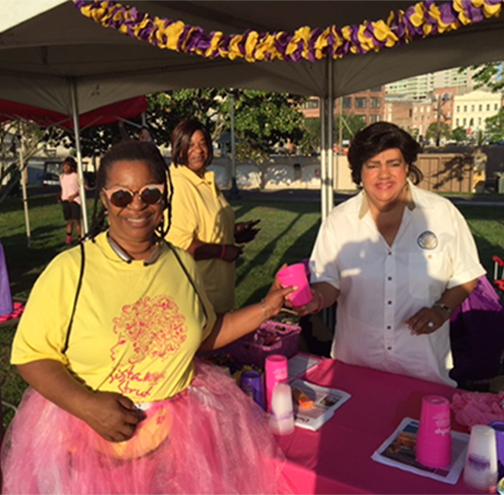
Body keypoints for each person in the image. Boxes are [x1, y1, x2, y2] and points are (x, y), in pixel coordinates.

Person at [2, 141, 294, 494]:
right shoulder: (70, 270)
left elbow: (205, 333)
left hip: (177, 442)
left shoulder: (182, 264)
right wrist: (88, 406)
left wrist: (267, 307)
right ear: (105, 200)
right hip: (91, 444)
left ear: (165, 196)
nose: (137, 205)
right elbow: (31, 356)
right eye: (122, 196)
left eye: (150, 193)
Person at [290, 122, 486, 387]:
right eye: (372, 165)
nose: (384, 174)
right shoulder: (339, 220)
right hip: (356, 362)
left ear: (407, 167)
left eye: (393, 163)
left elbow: (465, 276)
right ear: (359, 172)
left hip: (422, 365)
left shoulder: (442, 213)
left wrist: (442, 310)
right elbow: (329, 281)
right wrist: (315, 299)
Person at [166, 119, 260, 313]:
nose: (198, 150)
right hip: (196, 299)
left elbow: (205, 226)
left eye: (202, 144)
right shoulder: (179, 185)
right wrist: (224, 252)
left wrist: (232, 231)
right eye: (190, 145)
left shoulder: (204, 179)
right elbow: (181, 247)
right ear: (178, 148)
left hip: (217, 295)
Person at [58, 156, 82, 245]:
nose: (65, 168)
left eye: (67, 166)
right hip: (65, 199)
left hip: (75, 200)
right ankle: (68, 238)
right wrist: (60, 196)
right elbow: (63, 188)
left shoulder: (76, 176)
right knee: (69, 220)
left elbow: (81, 188)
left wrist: (74, 196)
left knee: (77, 220)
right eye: (64, 166)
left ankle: (80, 237)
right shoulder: (62, 177)